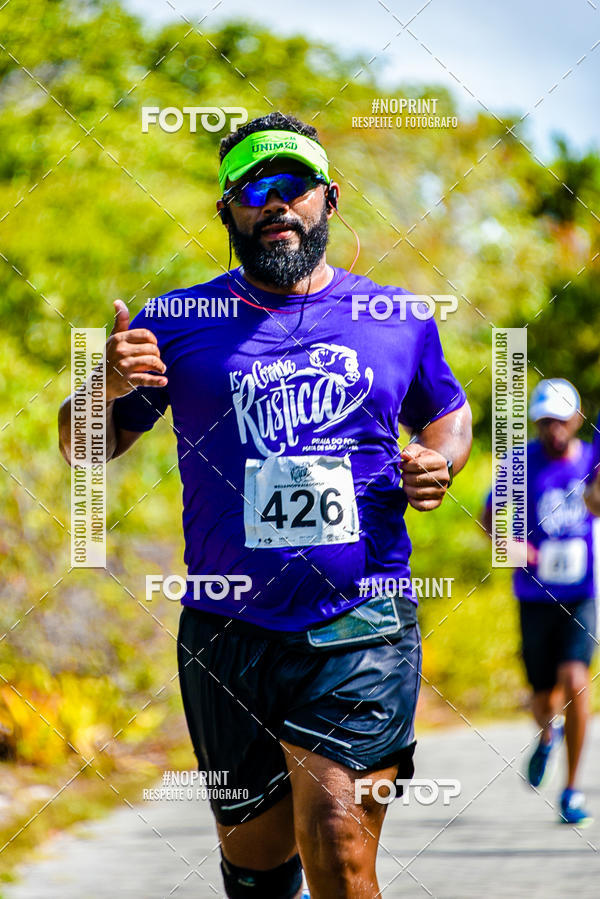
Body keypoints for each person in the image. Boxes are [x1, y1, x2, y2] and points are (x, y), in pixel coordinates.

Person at [59, 111, 472, 898]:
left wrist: (438, 461)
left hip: (362, 618)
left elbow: (448, 413)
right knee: (257, 873)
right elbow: (83, 446)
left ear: (329, 198)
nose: (275, 202)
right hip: (227, 630)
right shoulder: (176, 323)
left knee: (339, 844)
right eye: (253, 189)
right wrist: (102, 386)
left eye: (294, 184)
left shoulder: (397, 318)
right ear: (226, 211)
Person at [482, 378, 598, 827]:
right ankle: (548, 734)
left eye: (561, 420)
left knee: (576, 680)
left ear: (576, 420)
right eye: (545, 421)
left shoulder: (590, 462)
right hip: (534, 594)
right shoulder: (520, 464)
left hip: (581, 593)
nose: (553, 429)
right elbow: (489, 517)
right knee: (541, 696)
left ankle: (571, 790)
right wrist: (509, 546)